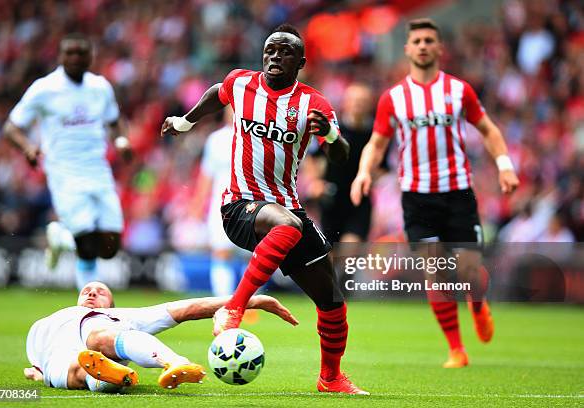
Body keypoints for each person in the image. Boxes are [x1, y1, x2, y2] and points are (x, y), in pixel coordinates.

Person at [162, 24, 368, 395]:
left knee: (332, 301)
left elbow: (340, 155)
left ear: (301, 62)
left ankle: (331, 378)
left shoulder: (314, 104)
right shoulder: (241, 83)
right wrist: (184, 121)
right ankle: (234, 308)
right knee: (287, 225)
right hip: (239, 206)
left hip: (286, 207)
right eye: (270, 50)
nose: (275, 56)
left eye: (285, 52)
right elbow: (216, 94)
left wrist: (334, 137)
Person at [351, 18, 519, 368]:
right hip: (417, 197)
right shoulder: (393, 98)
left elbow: (488, 130)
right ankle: (456, 349)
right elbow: (377, 143)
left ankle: (477, 302)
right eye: (418, 40)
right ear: (408, 48)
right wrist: (364, 173)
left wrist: (504, 164)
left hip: (457, 191)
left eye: (430, 39)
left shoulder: (459, 91)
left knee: (470, 270)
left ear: (440, 48)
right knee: (436, 271)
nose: (424, 45)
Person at [2, 33, 132, 289]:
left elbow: (114, 120)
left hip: (98, 169)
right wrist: (28, 147)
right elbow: (11, 127)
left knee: (110, 248)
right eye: (68, 53)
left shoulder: (100, 87)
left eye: (79, 53)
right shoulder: (45, 88)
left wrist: (120, 142)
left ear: (90, 57)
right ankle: (92, 310)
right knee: (86, 242)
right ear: (60, 56)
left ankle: (61, 237)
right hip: (64, 172)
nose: (74, 58)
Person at [24, 281, 297, 391]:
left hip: (95, 338)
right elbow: (39, 368)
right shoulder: (53, 321)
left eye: (101, 291)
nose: (92, 293)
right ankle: (107, 378)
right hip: (54, 361)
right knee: (76, 371)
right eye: (87, 290)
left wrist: (253, 300)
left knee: (97, 341)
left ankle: (173, 362)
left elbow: (189, 308)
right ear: (77, 298)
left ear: (112, 305)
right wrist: (37, 373)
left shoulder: (121, 316)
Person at [318, 83, 381, 243]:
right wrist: (315, 182)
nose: (358, 104)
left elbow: (383, 166)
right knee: (329, 251)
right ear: (345, 103)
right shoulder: (332, 129)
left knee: (350, 248)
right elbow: (314, 157)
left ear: (371, 104)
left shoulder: (376, 134)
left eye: (363, 101)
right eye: (354, 100)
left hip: (360, 199)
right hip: (332, 198)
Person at [189, 107, 241, 296]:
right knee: (221, 252)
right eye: (231, 109)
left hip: (250, 200)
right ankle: (223, 301)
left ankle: (250, 302)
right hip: (221, 203)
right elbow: (206, 175)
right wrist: (197, 204)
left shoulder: (255, 137)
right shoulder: (216, 139)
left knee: (253, 254)